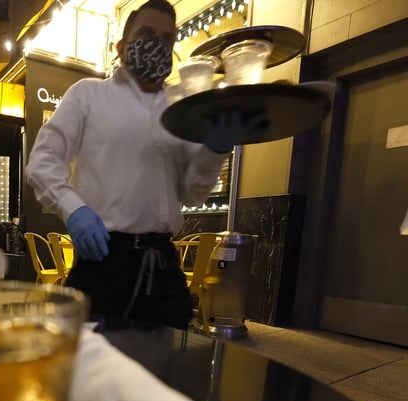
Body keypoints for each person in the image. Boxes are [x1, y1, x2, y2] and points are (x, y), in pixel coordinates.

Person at [26, 0, 268, 330]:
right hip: (102, 263)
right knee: (95, 371)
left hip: (162, 268)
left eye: (167, 39)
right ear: (122, 46)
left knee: (166, 370)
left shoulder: (182, 107)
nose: (157, 44)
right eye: (147, 34)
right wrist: (75, 210)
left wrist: (216, 148)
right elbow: (42, 160)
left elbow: (193, 192)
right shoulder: (88, 95)